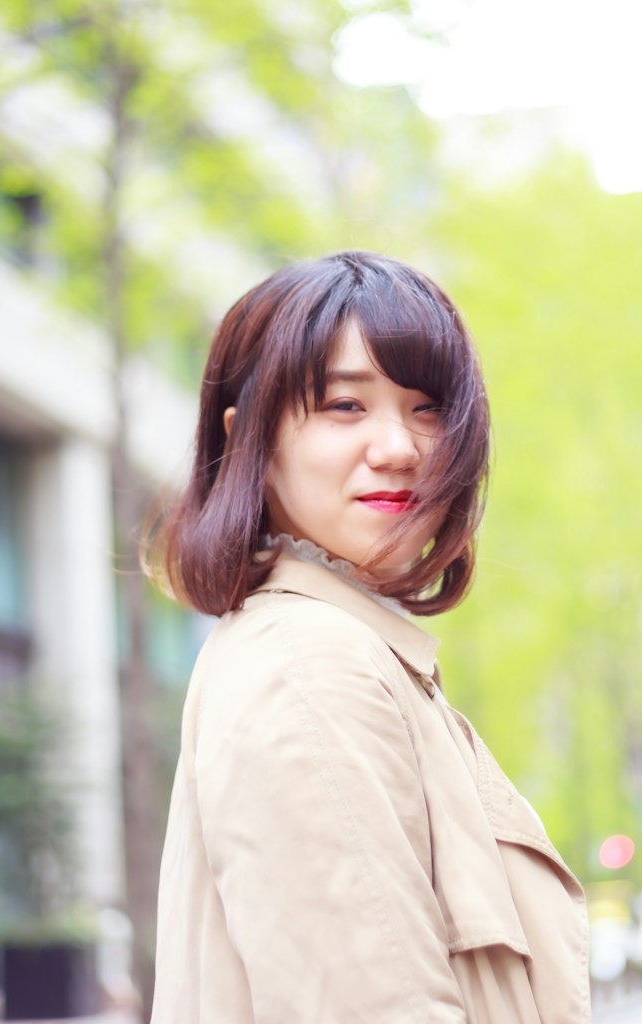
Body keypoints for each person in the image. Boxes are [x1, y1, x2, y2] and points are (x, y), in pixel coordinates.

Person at [150, 251, 590, 1022]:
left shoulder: (353, 654)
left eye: (426, 408)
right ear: (248, 436)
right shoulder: (307, 668)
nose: (400, 447)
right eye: (345, 406)